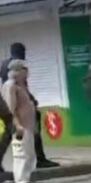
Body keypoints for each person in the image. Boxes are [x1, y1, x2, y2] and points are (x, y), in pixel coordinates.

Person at [0, 42, 58, 170]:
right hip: (20, 105)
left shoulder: (4, 65)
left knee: (9, 134)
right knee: (32, 132)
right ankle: (40, 159)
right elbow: (22, 86)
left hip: (7, 103)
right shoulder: (18, 65)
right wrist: (32, 100)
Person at [1, 60, 38, 183]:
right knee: (21, 152)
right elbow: (11, 108)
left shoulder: (21, 85)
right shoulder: (10, 85)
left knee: (29, 152)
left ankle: (26, 178)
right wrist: (17, 125)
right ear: (17, 70)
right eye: (24, 68)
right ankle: (21, 180)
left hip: (28, 124)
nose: (27, 71)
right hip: (20, 125)